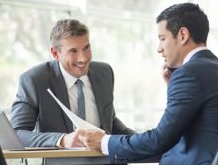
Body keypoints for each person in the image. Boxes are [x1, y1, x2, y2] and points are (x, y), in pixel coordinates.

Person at [76, 3, 218, 165]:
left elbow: (160, 139)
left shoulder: (188, 74)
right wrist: (172, 88)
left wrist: (104, 142)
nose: (159, 49)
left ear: (183, 35)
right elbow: (204, 125)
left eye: (163, 39)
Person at [10, 19, 134, 148]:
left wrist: (142, 141)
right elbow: (16, 134)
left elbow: (110, 124)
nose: (83, 58)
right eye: (73, 51)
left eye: (86, 48)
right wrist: (62, 140)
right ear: (55, 53)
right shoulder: (35, 80)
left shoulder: (104, 73)